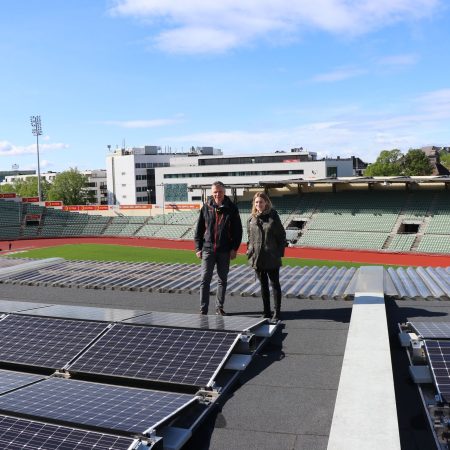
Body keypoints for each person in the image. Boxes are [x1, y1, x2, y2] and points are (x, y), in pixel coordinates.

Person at [195, 181, 242, 316]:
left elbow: (238, 231)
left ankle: (219, 307)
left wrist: (234, 248)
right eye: (215, 192)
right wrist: (198, 248)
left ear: (224, 192)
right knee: (205, 280)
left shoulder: (232, 208)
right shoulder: (206, 207)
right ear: (212, 192)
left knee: (222, 280)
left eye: (220, 192)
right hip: (208, 249)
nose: (217, 194)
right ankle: (203, 309)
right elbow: (199, 229)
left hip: (224, 250)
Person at [247, 192, 286, 321]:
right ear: (254, 204)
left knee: (274, 284)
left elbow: (281, 236)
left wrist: (278, 253)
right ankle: (266, 312)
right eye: (257, 202)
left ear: (266, 203)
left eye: (261, 202)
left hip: (271, 257)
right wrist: (250, 251)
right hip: (257, 257)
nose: (259, 204)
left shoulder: (273, 217)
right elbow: (250, 238)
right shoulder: (251, 219)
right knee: (263, 286)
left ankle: (277, 312)